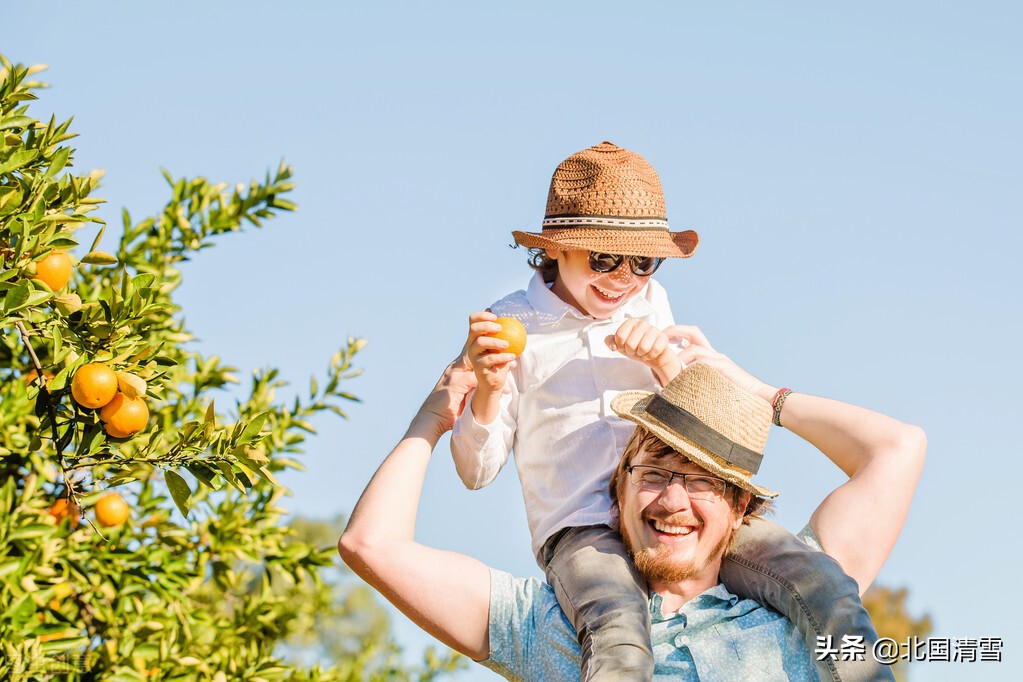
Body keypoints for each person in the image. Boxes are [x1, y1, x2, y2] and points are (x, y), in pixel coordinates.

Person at [451, 141, 884, 680]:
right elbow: (475, 471)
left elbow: (697, 424)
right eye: (604, 258)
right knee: (619, 637)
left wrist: (662, 361)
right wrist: (489, 390)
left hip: (680, 512)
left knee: (824, 584)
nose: (623, 278)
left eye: (643, 261)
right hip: (586, 528)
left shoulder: (649, 302)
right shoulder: (511, 326)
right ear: (555, 248)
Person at [338, 341, 925, 680]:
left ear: (740, 503)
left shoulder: (803, 594)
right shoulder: (552, 627)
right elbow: (371, 546)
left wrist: (758, 395)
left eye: (701, 483)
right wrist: (436, 419)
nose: (672, 500)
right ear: (617, 490)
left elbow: (898, 448)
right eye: (654, 474)